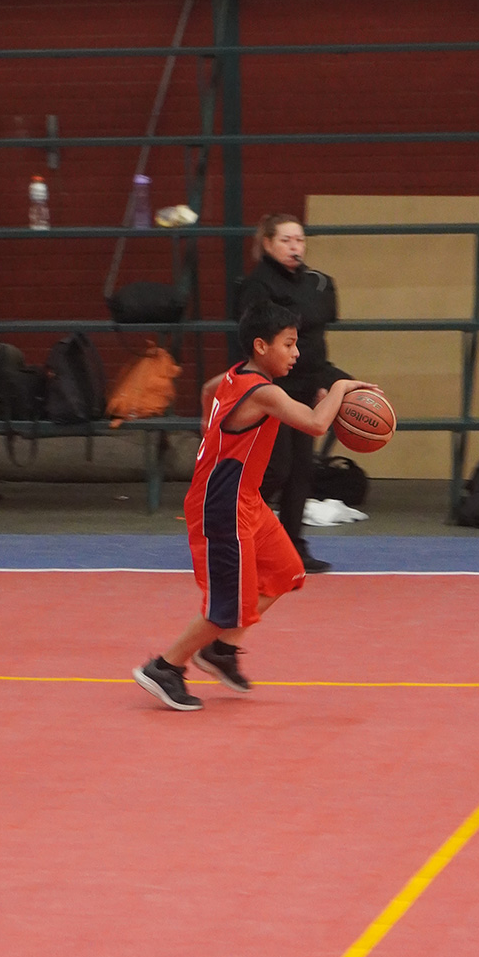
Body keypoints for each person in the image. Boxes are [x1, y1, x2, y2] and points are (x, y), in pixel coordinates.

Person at [132, 300, 376, 711]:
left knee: (286, 571)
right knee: (227, 607)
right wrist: (339, 389)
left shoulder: (235, 375)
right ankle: (165, 667)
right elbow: (316, 424)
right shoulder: (263, 392)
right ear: (261, 346)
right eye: (289, 344)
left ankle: (221, 650)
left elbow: (208, 391)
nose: (296, 352)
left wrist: (211, 432)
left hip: (245, 499)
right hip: (222, 504)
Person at [234, 213, 354, 573]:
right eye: (285, 240)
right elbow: (259, 343)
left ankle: (291, 546)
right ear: (267, 243)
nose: (294, 247)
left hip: (305, 383)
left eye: (299, 240)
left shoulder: (317, 283)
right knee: (277, 468)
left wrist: (324, 382)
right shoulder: (256, 286)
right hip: (271, 388)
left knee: (302, 470)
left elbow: (315, 343)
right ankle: (235, 531)